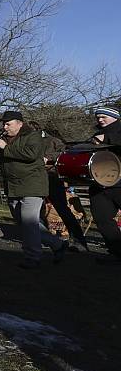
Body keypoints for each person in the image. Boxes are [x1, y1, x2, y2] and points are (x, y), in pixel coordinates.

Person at [0, 110, 68, 269]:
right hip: (13, 186)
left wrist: (5, 148)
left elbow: (31, 154)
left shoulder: (33, 136)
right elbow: (1, 159)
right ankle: (58, 244)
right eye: (4, 124)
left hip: (32, 185)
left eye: (8, 124)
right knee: (25, 223)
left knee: (29, 222)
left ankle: (32, 257)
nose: (5, 127)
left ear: (19, 123)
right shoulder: (4, 139)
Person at [28, 121, 89, 251]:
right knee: (36, 211)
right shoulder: (25, 141)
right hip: (33, 179)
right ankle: (44, 238)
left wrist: (48, 157)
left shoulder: (53, 141)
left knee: (62, 209)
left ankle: (79, 240)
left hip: (52, 178)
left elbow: (65, 152)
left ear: (37, 130)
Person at [88, 106, 121, 263]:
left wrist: (106, 139)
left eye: (103, 116)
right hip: (100, 184)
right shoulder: (97, 135)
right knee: (102, 219)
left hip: (119, 183)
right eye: (98, 117)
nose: (100, 119)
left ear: (114, 117)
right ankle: (117, 253)